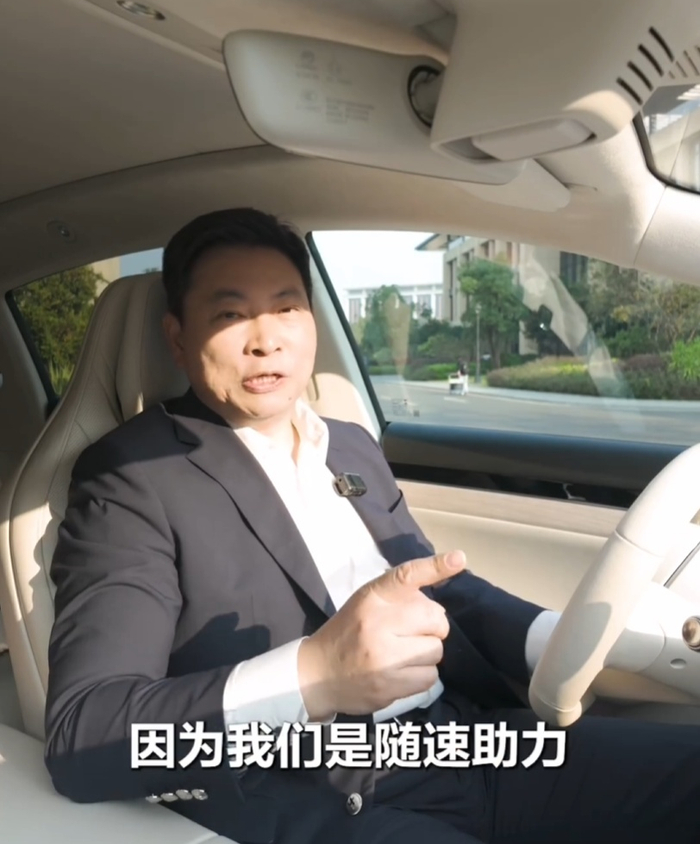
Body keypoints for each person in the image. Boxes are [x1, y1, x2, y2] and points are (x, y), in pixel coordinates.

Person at [45, 208, 700, 844]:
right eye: (229, 315)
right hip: (313, 789)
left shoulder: (351, 446)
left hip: (463, 741)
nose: (266, 338)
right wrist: (316, 674)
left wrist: (576, 638)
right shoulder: (131, 477)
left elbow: (440, 593)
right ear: (177, 339)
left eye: (286, 308)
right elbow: (85, 734)